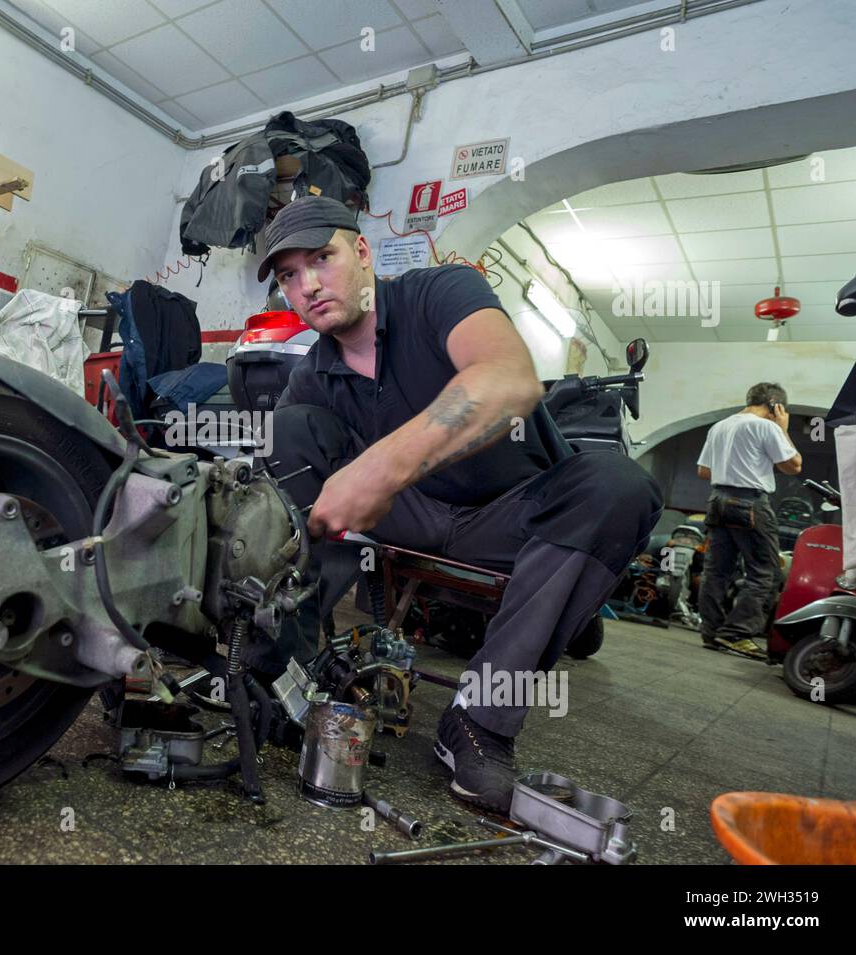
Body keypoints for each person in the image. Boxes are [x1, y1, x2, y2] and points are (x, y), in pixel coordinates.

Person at [253, 196, 662, 813]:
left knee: (618, 485)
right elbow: (284, 513)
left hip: (510, 519)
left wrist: (382, 467)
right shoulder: (312, 377)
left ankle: (479, 722)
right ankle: (295, 672)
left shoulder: (440, 292)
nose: (307, 285)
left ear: (362, 252)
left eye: (322, 258)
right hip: (409, 516)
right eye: (289, 275)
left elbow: (507, 379)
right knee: (286, 434)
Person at [695, 383, 802, 660]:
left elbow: (704, 471)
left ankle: (712, 631)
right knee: (765, 571)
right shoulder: (767, 427)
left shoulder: (719, 426)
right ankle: (736, 634)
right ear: (775, 406)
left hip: (717, 500)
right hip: (750, 502)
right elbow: (793, 466)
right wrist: (783, 429)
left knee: (717, 571)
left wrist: (734, 467)